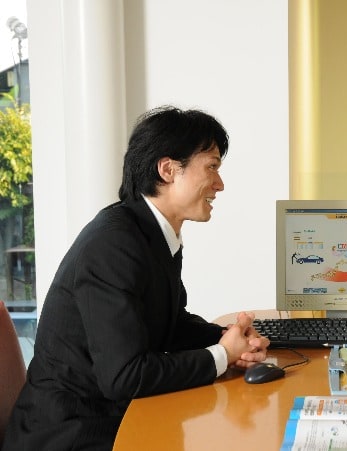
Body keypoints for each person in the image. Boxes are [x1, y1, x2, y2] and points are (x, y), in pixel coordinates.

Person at [2, 106, 271, 451]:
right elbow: (124, 376)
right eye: (212, 167)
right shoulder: (114, 244)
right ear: (168, 169)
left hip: (113, 417)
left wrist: (232, 339)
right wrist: (221, 354)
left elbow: (168, 323)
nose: (220, 184)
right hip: (72, 434)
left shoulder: (151, 233)